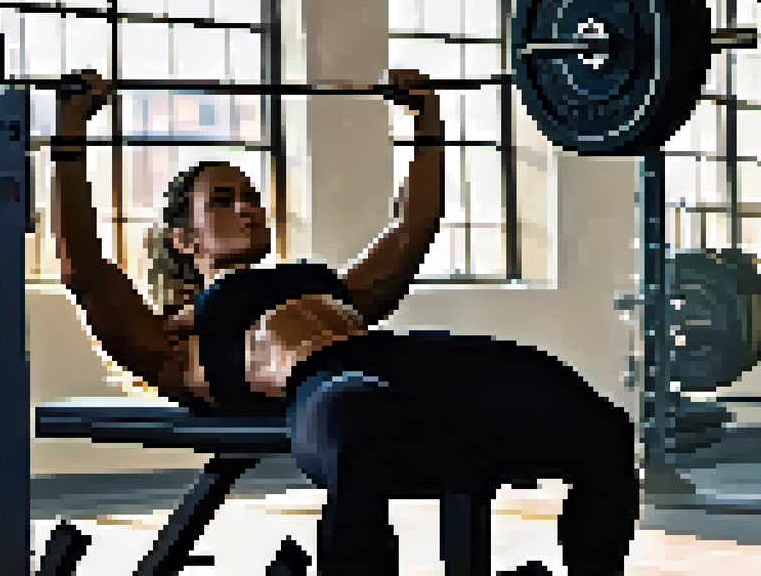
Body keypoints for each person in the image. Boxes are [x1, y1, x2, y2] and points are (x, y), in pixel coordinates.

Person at [50, 68, 639, 576]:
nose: (248, 207)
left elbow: (412, 230)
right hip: (329, 385)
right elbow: (84, 267)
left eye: (252, 195)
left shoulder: (325, 285)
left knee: (603, 428)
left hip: (411, 360)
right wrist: (70, 135)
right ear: (183, 239)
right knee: (360, 440)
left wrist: (427, 126)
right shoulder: (178, 337)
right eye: (223, 201)